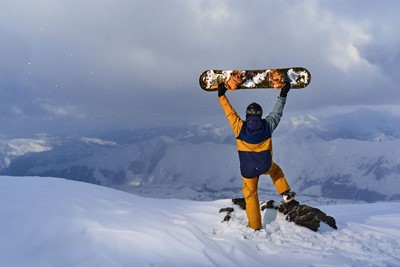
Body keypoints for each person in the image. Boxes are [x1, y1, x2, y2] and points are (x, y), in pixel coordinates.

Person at [217, 81, 296, 230]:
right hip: (265, 165)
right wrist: (283, 94)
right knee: (276, 171)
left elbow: (229, 112)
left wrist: (221, 95)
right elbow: (277, 112)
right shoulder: (268, 125)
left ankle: (255, 226)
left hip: (248, 170)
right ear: (260, 114)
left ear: (247, 115)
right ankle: (285, 192)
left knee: (251, 196)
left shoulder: (239, 127)